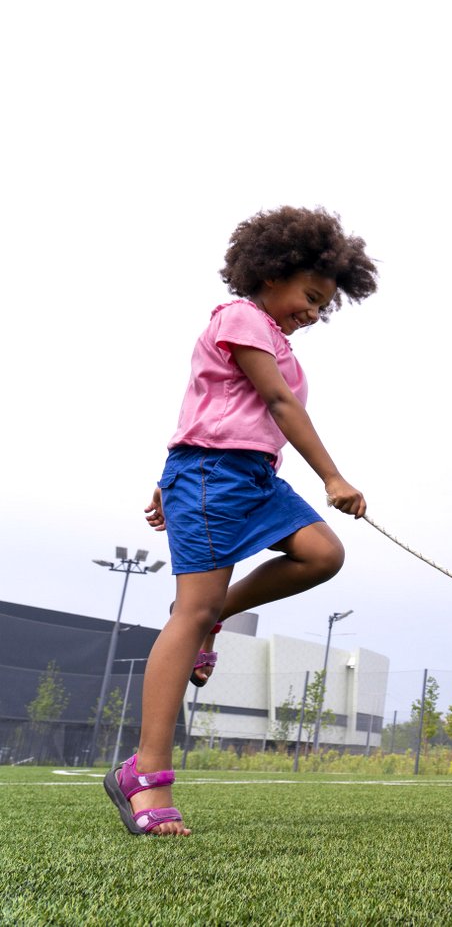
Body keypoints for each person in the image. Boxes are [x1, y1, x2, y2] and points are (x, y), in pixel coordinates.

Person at [104, 206, 377, 836]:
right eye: (310, 296)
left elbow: (214, 402)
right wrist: (333, 476)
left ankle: (216, 618)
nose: (313, 312)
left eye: (322, 305)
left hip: (249, 478)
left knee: (321, 553)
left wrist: (169, 477)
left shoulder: (277, 340)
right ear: (273, 271)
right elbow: (276, 403)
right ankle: (145, 775)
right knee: (188, 611)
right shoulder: (239, 317)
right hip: (211, 477)